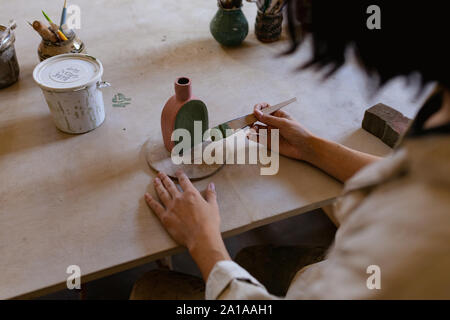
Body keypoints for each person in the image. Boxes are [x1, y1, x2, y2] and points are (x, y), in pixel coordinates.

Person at [132, 1, 450, 299]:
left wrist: (203, 242)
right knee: (250, 258)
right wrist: (312, 148)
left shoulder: (423, 258)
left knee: (149, 287)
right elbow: (417, 180)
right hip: (348, 266)